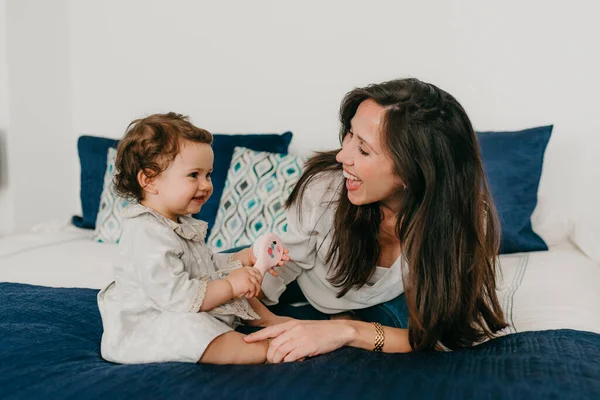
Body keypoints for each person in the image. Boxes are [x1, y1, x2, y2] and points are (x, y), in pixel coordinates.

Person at [244, 78, 508, 362]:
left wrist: (347, 331)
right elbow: (281, 266)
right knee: (217, 288)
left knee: (412, 328)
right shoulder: (325, 190)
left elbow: (441, 335)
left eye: (364, 150)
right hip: (301, 280)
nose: (343, 156)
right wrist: (271, 322)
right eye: (349, 135)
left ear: (413, 171)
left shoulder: (459, 222)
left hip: (377, 308)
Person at [97, 112, 288, 365]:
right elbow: (177, 297)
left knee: (233, 287)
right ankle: (262, 350)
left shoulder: (180, 221)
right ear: (149, 180)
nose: (207, 185)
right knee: (194, 330)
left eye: (208, 175)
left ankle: (267, 320)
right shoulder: (146, 232)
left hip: (181, 305)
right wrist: (230, 285)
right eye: (193, 175)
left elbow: (205, 266)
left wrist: (246, 257)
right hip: (150, 322)